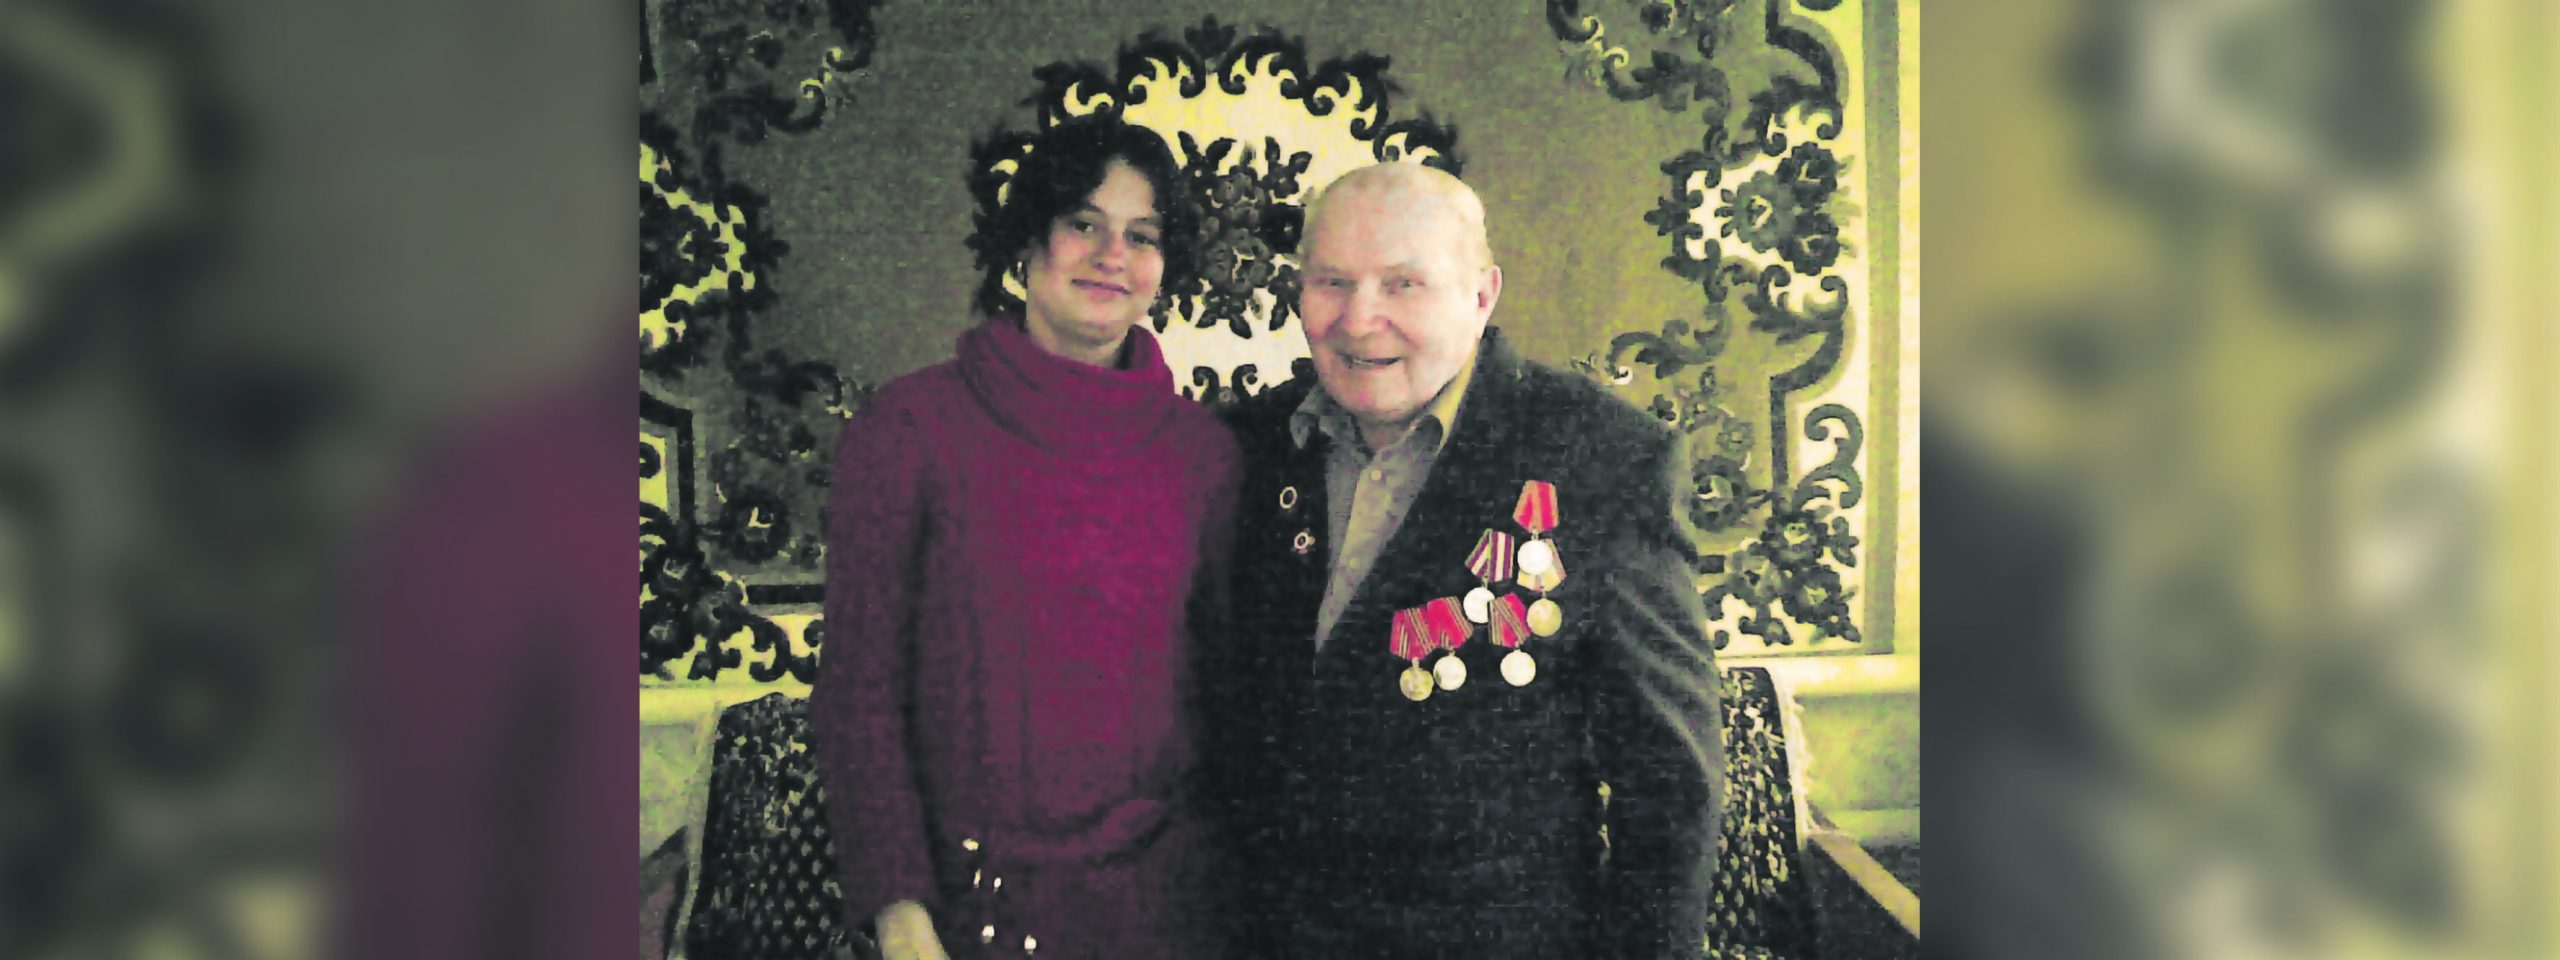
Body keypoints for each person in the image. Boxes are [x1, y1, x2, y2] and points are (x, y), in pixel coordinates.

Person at [1203, 162, 1724, 958]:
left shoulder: (1604, 460)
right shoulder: (1245, 448)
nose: (1358, 319)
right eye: (1332, 282)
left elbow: (1669, 783)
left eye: (1404, 284)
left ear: (1482, 296)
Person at [809, 114, 1239, 960]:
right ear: (1027, 241)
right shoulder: (908, 429)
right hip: (969, 912)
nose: (1113, 256)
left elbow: (1227, 696)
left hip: (1172, 912)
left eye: (1143, 235)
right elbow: (859, 694)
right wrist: (898, 912)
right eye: (1084, 223)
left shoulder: (1207, 454)